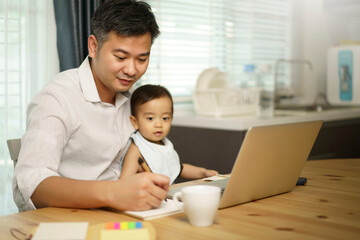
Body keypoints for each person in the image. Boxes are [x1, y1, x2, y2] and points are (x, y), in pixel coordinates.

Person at [13, 0, 169, 212]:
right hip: (65, 221)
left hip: (117, 216)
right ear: (94, 47)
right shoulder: (58, 97)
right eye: (120, 57)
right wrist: (113, 192)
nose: (131, 70)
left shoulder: (132, 101)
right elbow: (33, 184)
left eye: (141, 59)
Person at [120, 84, 218, 184]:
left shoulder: (164, 144)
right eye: (150, 118)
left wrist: (203, 173)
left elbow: (179, 169)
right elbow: (124, 181)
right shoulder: (137, 149)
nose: (159, 124)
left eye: (165, 118)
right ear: (135, 122)